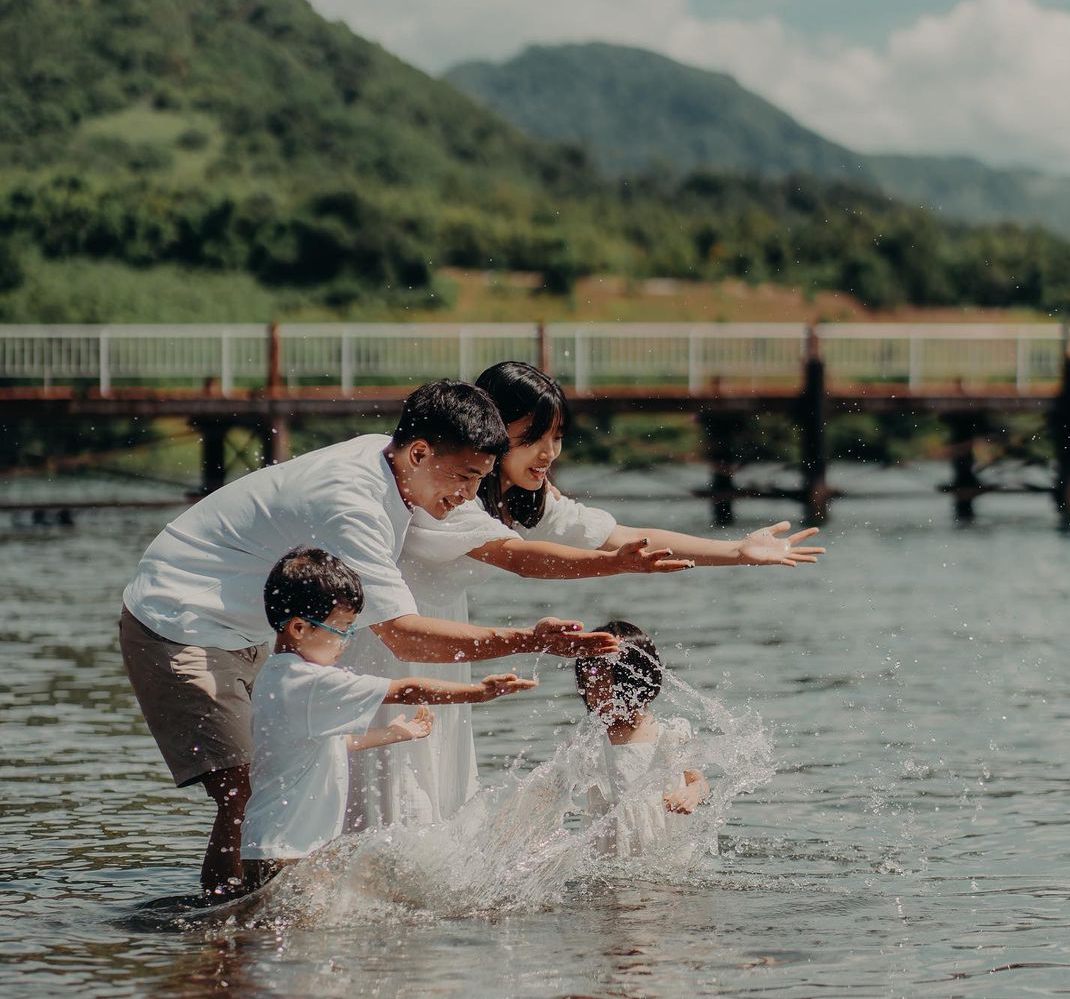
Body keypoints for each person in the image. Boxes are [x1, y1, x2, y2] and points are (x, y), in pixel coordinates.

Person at [120, 378, 664, 897]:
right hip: (181, 621)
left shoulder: (398, 464)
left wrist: (611, 560)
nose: (470, 496)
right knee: (245, 793)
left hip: (251, 629)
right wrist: (529, 639)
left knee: (290, 773)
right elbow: (405, 638)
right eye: (465, 478)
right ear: (421, 452)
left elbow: (507, 552)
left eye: (480, 479)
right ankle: (230, 937)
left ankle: (248, 926)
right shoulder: (352, 506)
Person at [343, 362, 823, 831]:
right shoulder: (451, 493)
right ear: (490, 428)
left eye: (556, 436)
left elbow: (622, 534)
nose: (549, 452)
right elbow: (521, 558)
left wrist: (736, 550)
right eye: (532, 436)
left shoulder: (524, 497)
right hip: (392, 636)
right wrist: (615, 566)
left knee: (436, 797)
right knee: (394, 791)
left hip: (447, 640)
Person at [239, 548, 535, 892]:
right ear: (299, 628)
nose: (346, 643)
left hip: (280, 845)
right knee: (294, 938)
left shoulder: (278, 676)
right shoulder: (309, 681)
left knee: (281, 936)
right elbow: (407, 690)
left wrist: (391, 733)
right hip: (288, 852)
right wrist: (477, 692)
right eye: (343, 630)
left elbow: (326, 746)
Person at [574, 620, 708, 860]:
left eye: (604, 683)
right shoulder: (590, 742)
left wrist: (692, 794)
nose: (595, 696)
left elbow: (699, 781)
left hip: (665, 853)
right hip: (606, 857)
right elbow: (552, 790)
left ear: (636, 681)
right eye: (588, 683)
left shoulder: (669, 734)